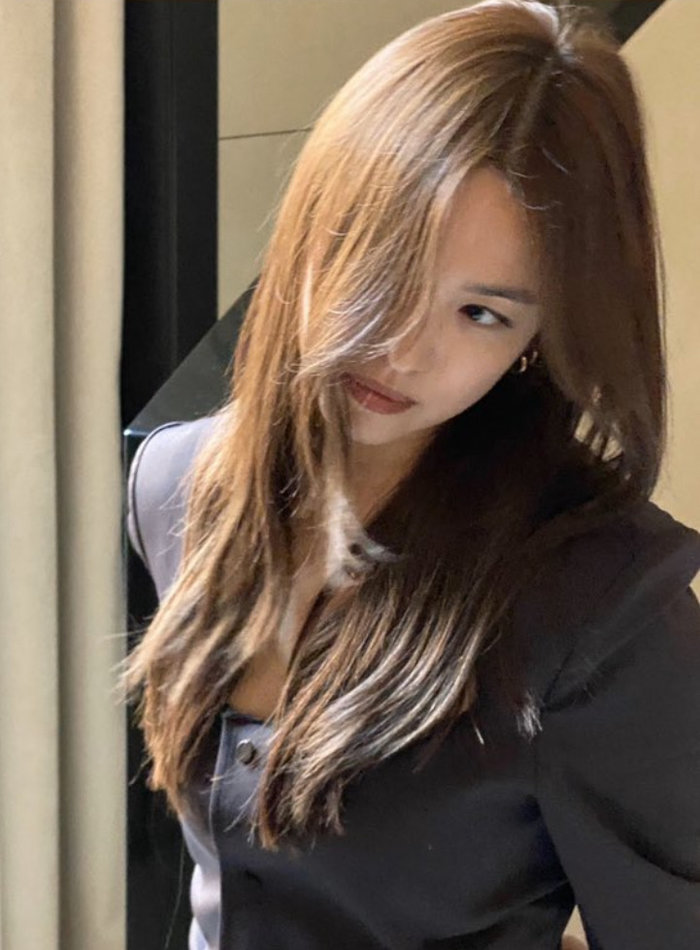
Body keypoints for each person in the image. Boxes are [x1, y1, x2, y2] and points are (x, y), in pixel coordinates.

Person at [119, 1, 700, 948]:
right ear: (315, 225)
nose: (401, 348)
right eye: (384, 261)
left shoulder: (598, 609)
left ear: (539, 336)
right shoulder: (176, 485)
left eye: (481, 313)